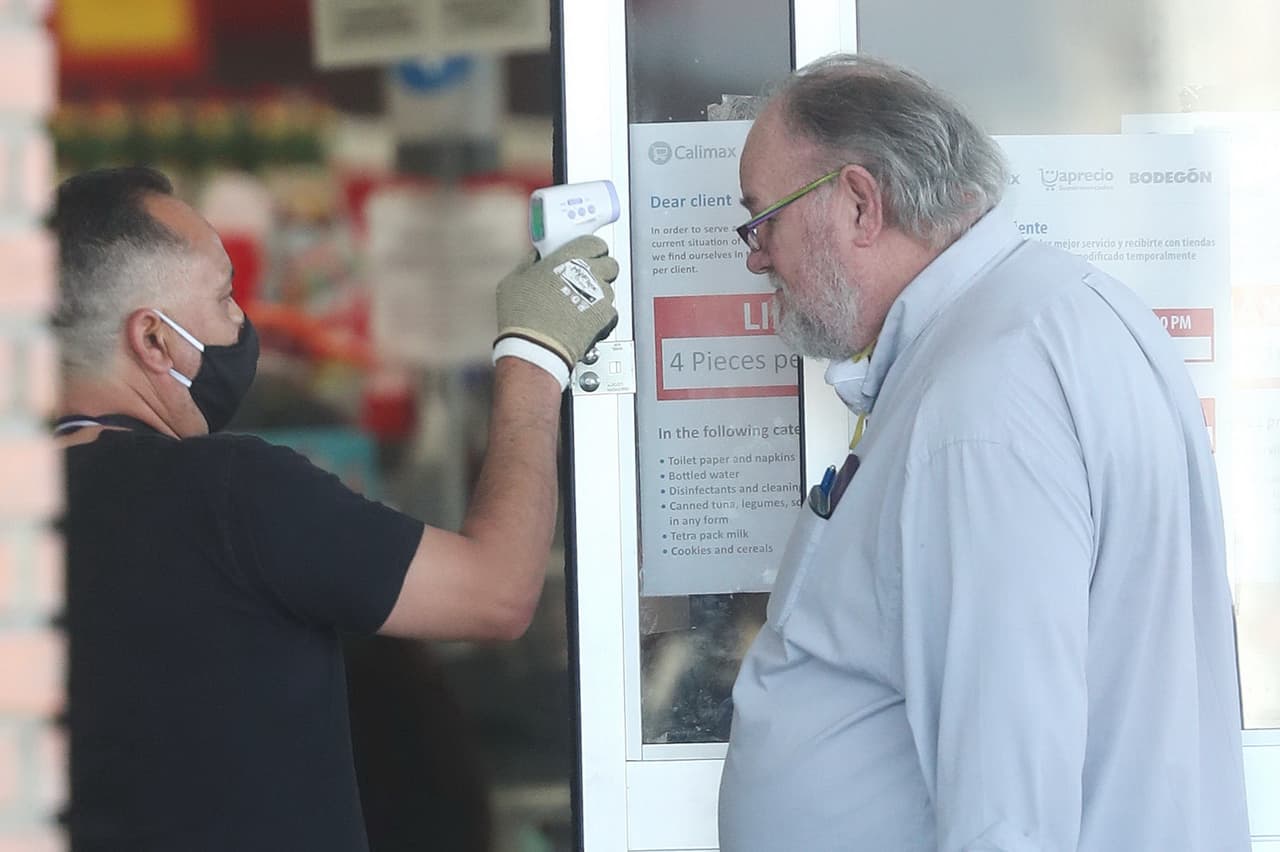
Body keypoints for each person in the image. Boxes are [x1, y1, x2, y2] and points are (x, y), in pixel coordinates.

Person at [717, 55, 1251, 851]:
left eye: (763, 221)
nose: (756, 256)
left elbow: (1007, 789)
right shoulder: (1052, 314)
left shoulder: (982, 394)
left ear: (861, 204)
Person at [51, 166, 617, 851]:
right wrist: (536, 353)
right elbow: (495, 593)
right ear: (153, 340)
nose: (241, 322)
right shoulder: (230, 494)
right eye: (225, 296)